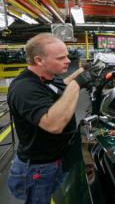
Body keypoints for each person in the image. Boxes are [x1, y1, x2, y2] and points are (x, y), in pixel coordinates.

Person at [7, 33, 95, 204]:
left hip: (55, 159)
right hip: (38, 169)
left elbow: (61, 87)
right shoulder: (24, 88)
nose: (68, 60)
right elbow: (53, 124)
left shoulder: (47, 77)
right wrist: (78, 84)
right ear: (39, 60)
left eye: (67, 56)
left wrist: (82, 73)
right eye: (61, 57)